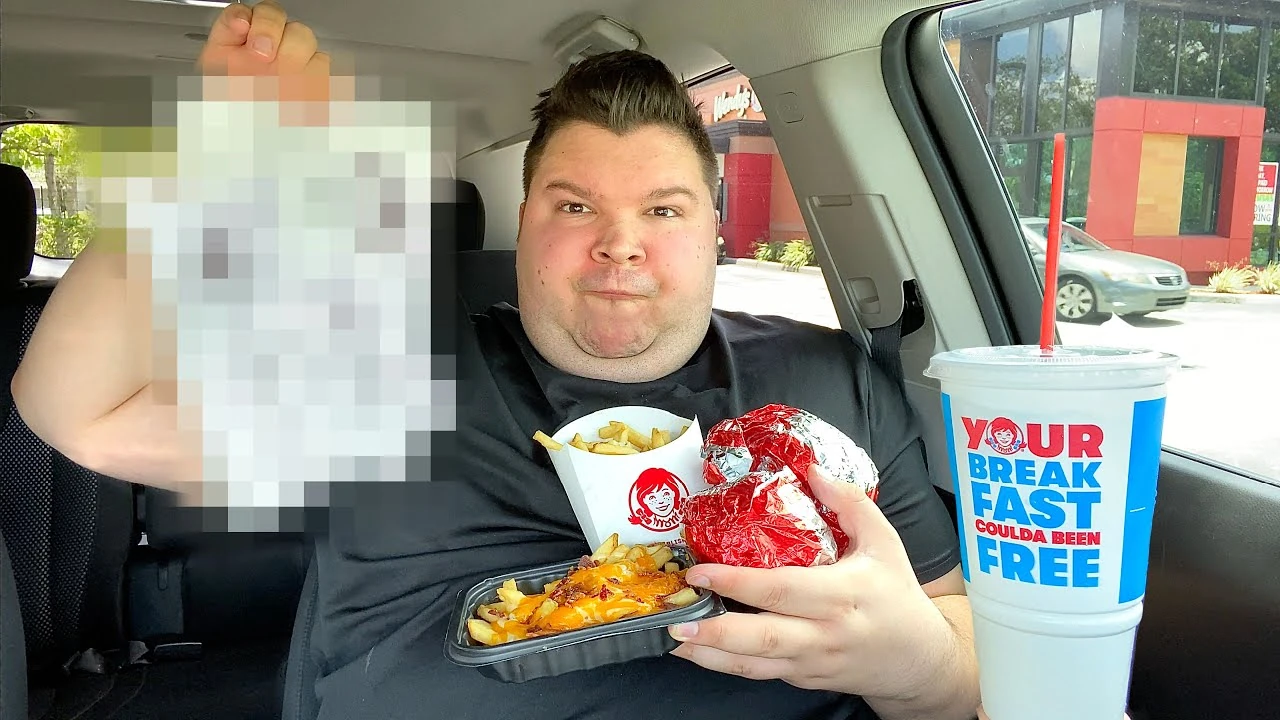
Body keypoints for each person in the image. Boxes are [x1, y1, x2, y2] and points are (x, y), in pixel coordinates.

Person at [9, 2, 1014, 718]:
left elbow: (965, 659)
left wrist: (916, 666)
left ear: (713, 230)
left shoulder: (830, 385)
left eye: (662, 210)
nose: (620, 246)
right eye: (576, 205)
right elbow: (73, 408)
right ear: (525, 222)